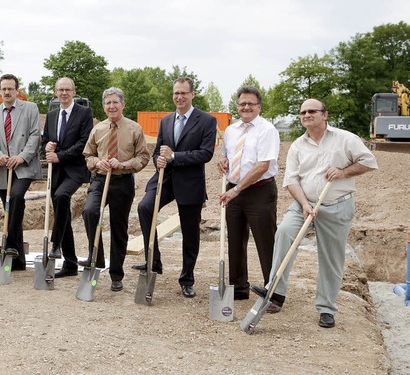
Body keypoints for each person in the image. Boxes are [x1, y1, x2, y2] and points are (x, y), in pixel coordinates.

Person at [251, 98, 378, 328]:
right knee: (284, 233)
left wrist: (343, 172)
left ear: (325, 115)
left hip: (337, 204)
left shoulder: (345, 139)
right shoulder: (297, 146)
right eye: (303, 112)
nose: (306, 115)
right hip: (304, 203)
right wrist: (304, 204)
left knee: (331, 258)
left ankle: (326, 308)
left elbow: (369, 162)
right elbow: (291, 180)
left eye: (312, 111)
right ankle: (274, 293)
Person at [134, 77, 217, 298]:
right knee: (145, 208)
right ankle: (154, 261)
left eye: (183, 93)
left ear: (192, 94)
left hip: (190, 183)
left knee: (190, 233)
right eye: (175, 93)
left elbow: (206, 153)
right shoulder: (166, 120)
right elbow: (157, 151)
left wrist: (175, 156)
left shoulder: (207, 121)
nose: (179, 97)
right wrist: (158, 160)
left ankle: (187, 278)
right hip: (165, 179)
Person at [80, 87, 150, 292]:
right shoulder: (98, 129)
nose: (111, 106)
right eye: (108, 103)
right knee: (90, 211)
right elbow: (88, 156)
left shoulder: (134, 128)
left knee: (119, 228)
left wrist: (124, 165)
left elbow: (143, 158)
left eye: (115, 102)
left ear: (122, 105)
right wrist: (97, 163)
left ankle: (116, 274)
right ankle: (97, 258)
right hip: (100, 180)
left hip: (122, 181)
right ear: (103, 106)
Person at [217, 86, 280, 303]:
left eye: (250, 104)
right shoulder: (232, 131)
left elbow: (263, 166)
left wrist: (236, 189)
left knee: (266, 242)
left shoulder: (267, 130)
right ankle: (238, 288)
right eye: (242, 103)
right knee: (234, 241)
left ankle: (273, 291)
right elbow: (227, 157)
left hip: (260, 192)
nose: (246, 107)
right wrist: (224, 162)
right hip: (234, 191)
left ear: (259, 107)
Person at [0, 74, 41, 270]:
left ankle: (8, 245)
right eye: (4, 89)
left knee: (16, 197)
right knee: (10, 210)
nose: (7, 92)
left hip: (23, 167)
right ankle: (17, 261)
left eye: (10, 88)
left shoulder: (30, 109)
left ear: (17, 91)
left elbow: (35, 135)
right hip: (3, 168)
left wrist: (22, 157)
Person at [41, 77, 93, 278]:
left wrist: (59, 156)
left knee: (62, 196)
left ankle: (55, 244)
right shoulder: (52, 115)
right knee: (62, 212)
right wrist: (47, 146)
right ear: (56, 92)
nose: (64, 93)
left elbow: (83, 142)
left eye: (67, 90)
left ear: (74, 92)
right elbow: (47, 139)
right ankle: (70, 264)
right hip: (56, 171)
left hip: (75, 169)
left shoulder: (84, 113)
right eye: (60, 90)